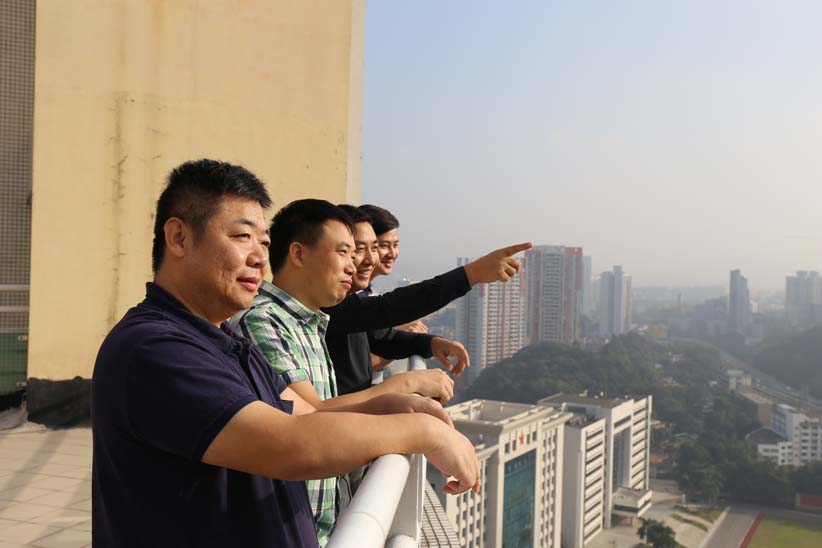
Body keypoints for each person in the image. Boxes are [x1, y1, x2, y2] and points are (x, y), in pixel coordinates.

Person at [92, 160, 479, 548]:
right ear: (179, 238)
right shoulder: (155, 349)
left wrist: (388, 405)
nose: (260, 258)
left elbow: (306, 414)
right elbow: (289, 445)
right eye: (242, 236)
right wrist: (425, 433)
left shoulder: (228, 344)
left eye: (263, 242)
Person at [230, 199, 463, 544]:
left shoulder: (309, 324)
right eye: (343, 252)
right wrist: (410, 396)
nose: (353, 266)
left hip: (313, 524)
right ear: (298, 254)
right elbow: (310, 417)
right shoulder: (263, 322)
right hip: (286, 529)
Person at [324, 204, 532, 395]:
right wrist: (472, 274)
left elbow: (382, 339)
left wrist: (431, 343)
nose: (371, 259)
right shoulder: (326, 304)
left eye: (374, 248)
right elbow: (389, 308)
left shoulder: (346, 302)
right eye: (357, 250)